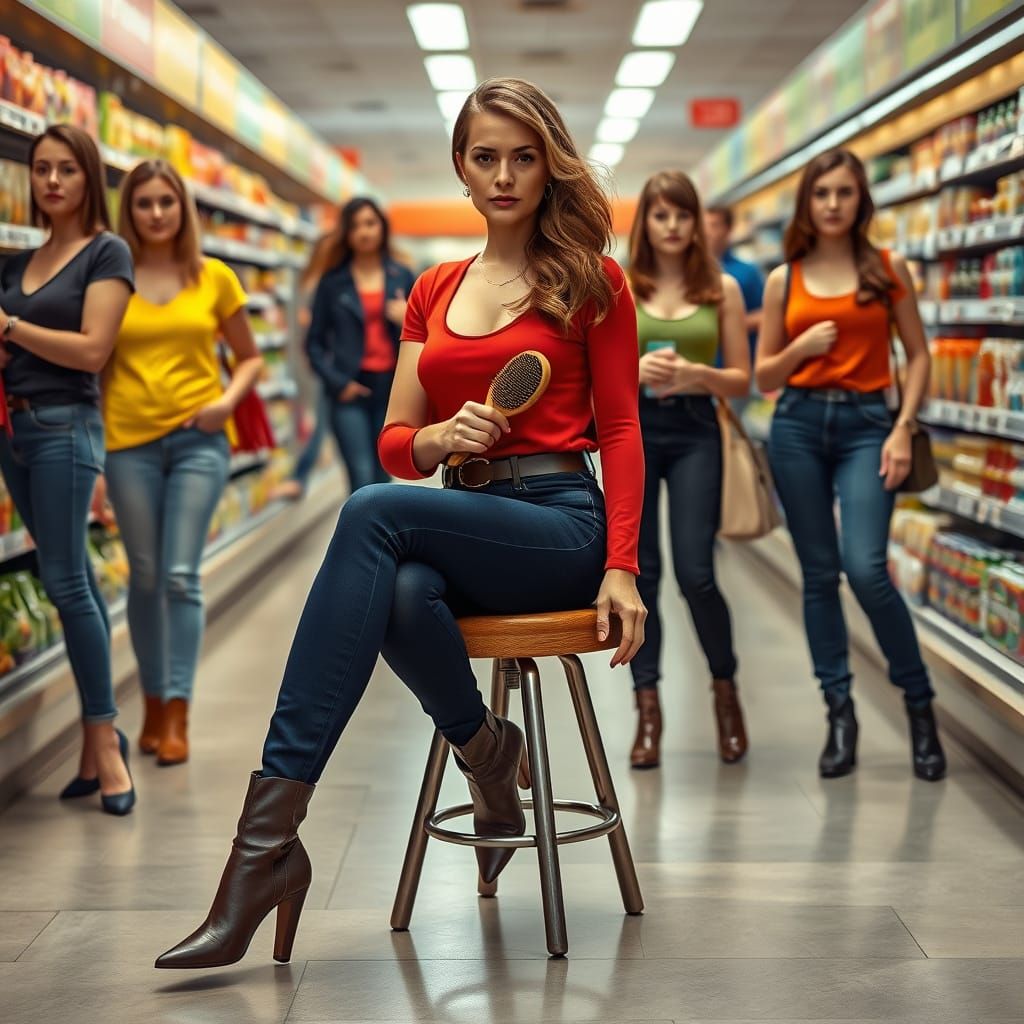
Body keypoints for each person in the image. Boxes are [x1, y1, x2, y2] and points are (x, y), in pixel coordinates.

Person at [155, 76, 646, 970]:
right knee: (403, 587)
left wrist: (622, 565)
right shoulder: (432, 289)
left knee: (370, 519)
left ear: (549, 167)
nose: (504, 174)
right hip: (465, 508)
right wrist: (436, 440)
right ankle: (487, 748)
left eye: (523, 157)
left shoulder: (592, 279)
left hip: (559, 524)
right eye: (486, 156)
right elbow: (391, 440)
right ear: (460, 167)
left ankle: (263, 850)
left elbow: (618, 429)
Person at [755, 148, 945, 782]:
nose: (833, 204)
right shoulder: (787, 278)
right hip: (798, 425)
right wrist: (801, 348)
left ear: (862, 201)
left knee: (866, 568)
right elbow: (763, 375)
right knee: (817, 573)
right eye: (822, 193)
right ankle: (840, 712)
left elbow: (917, 356)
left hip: (870, 426)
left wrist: (904, 426)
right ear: (808, 203)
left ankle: (919, 704)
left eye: (844, 192)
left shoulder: (889, 270)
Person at [101, 159, 264, 766]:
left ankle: (177, 710)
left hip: (198, 441)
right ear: (130, 212)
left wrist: (224, 402)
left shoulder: (214, 277)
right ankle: (148, 701)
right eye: (144, 203)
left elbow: (248, 357)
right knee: (143, 576)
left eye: (167, 202)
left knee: (178, 575)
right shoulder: (111, 277)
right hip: (128, 443)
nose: (157, 214)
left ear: (183, 209)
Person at [0, 125, 134, 814]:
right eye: (41, 169)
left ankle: (106, 738)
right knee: (64, 577)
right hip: (14, 428)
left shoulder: (107, 253)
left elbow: (91, 351)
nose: (51, 181)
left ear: (88, 179)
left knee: (66, 579)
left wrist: (11, 329)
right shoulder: (17, 260)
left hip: (65, 427)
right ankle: (95, 739)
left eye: (66, 170)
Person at [626, 172, 751, 770]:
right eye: (661, 215)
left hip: (699, 428)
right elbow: (598, 378)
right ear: (645, 223)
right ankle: (647, 712)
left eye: (682, 215)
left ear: (697, 223)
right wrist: (637, 372)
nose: (672, 226)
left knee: (697, 573)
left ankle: (725, 693)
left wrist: (697, 374)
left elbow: (743, 380)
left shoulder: (720, 287)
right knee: (641, 574)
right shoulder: (622, 288)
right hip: (638, 433)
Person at [275, 198, 415, 499]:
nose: (364, 232)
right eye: (355, 226)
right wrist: (338, 383)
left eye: (370, 223)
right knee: (361, 475)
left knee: (382, 474)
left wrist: (407, 318)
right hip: (349, 388)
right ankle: (363, 543)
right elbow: (313, 343)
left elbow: (427, 334)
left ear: (382, 227)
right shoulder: (333, 283)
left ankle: (383, 543)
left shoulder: (402, 276)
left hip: (391, 390)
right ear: (346, 234)